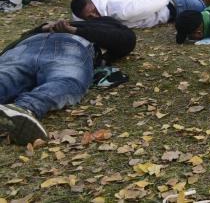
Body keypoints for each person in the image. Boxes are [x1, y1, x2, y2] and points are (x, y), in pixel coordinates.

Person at [0, 17, 136, 145]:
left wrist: (43, 28)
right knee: (67, 81)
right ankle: (26, 108)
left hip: (24, 48)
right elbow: (127, 40)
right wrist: (73, 31)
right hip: (69, 45)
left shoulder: (77, 25)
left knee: (6, 77)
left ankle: (19, 110)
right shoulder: (104, 26)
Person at [70, 0, 205, 28]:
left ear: (93, 4)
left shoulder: (121, 10)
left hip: (171, 4)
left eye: (92, 12)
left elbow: (152, 5)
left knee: (203, 2)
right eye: (88, 17)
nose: (94, 16)